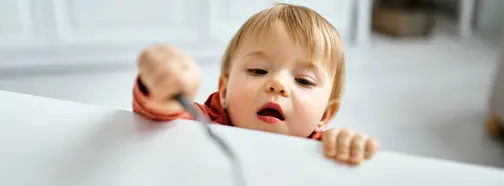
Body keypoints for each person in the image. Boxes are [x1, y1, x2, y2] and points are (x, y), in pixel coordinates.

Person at [132, 3, 379, 165]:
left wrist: (347, 147)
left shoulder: (323, 151)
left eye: (303, 80)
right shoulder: (203, 124)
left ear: (325, 114)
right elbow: (162, 121)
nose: (277, 84)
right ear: (225, 91)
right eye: (258, 70)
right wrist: (163, 92)